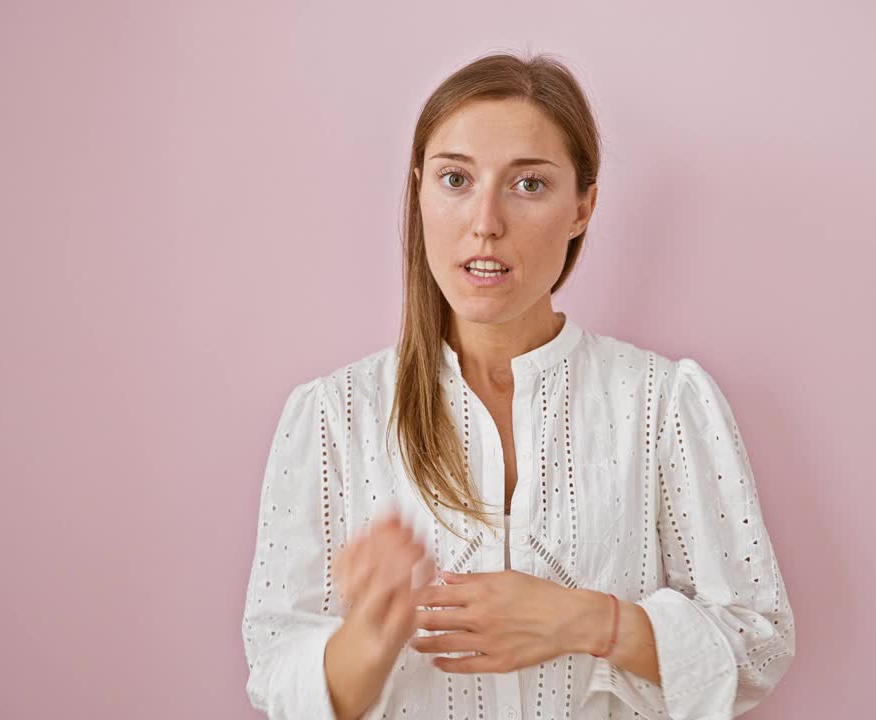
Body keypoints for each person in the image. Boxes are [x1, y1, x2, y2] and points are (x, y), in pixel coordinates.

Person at [241, 51, 795, 720]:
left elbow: (759, 645)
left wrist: (589, 621)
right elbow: (275, 677)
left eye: (527, 184)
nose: (485, 222)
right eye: (455, 179)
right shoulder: (331, 417)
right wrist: (373, 632)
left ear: (582, 207)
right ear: (419, 191)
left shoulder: (664, 403)